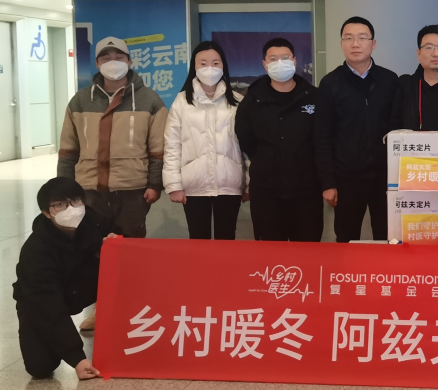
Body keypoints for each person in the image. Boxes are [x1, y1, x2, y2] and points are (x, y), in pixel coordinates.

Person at [58, 36, 167, 330]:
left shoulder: (150, 100)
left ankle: (134, 308)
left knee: (132, 251)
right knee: (95, 252)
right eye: (106, 58)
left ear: (129, 61)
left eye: (118, 57)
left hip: (132, 189)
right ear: (97, 63)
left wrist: (154, 184)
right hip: (89, 191)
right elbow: (68, 150)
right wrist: (64, 191)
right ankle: (101, 309)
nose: (113, 62)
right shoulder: (80, 100)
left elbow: (158, 150)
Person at [13, 177, 116, 380]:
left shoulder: (95, 221)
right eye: (60, 205)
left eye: (75, 201)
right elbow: (47, 305)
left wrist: (115, 244)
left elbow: (123, 238)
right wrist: (77, 358)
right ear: (46, 213)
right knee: (40, 366)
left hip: (83, 290)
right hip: (41, 302)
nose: (71, 209)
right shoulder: (36, 251)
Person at [315, 16, 399, 243]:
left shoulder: (390, 80)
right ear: (341, 44)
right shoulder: (330, 83)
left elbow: (398, 128)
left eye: (362, 38)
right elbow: (322, 136)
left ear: (373, 43)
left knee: (388, 237)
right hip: (346, 178)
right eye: (349, 38)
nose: (355, 44)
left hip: (385, 177)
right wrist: (328, 183)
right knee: (346, 238)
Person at [235, 37, 324, 242]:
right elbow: (246, 138)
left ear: (294, 61)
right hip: (267, 192)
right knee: (271, 254)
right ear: (264, 64)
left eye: (285, 58)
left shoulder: (314, 96)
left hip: (307, 191)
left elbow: (322, 139)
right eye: (273, 59)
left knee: (308, 251)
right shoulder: (252, 100)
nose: (280, 63)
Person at [163, 41, 245, 240]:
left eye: (215, 63)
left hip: (229, 184)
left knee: (227, 239)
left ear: (223, 66)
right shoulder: (181, 102)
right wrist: (174, 185)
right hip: (194, 186)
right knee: (198, 240)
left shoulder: (237, 101)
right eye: (203, 63)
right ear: (194, 66)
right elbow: (172, 145)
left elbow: (247, 146)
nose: (210, 68)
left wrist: (249, 183)